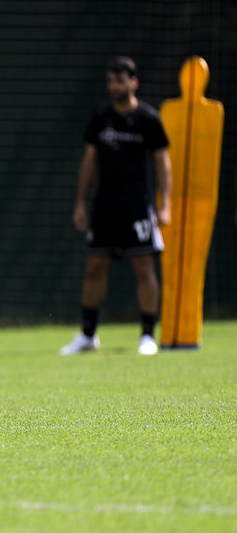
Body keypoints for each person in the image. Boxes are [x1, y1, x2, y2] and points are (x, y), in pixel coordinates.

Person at [61, 56, 171, 357]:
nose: (114, 86)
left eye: (120, 81)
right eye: (110, 81)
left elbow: (162, 162)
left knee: (144, 266)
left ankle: (147, 336)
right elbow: (89, 161)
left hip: (138, 205)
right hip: (105, 205)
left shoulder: (149, 118)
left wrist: (165, 205)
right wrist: (80, 203)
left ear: (133, 82)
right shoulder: (101, 117)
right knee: (95, 265)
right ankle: (87, 335)